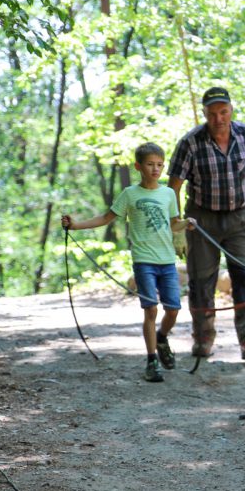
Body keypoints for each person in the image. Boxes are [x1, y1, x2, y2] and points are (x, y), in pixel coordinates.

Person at [62, 142, 189, 383]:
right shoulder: (130, 194)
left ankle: (162, 337)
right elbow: (105, 217)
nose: (155, 169)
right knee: (151, 309)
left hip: (167, 261)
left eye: (160, 165)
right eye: (150, 164)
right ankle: (152, 360)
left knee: (173, 309)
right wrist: (75, 225)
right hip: (144, 261)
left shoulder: (168, 194)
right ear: (138, 166)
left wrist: (186, 224)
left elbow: (174, 223)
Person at [168, 86, 245, 361]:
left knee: (243, 274)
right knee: (202, 279)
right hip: (201, 218)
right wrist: (176, 225)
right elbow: (174, 185)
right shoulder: (191, 142)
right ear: (205, 114)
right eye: (212, 113)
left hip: (240, 216)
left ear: (231, 111)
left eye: (223, 112)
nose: (219, 118)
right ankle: (203, 337)